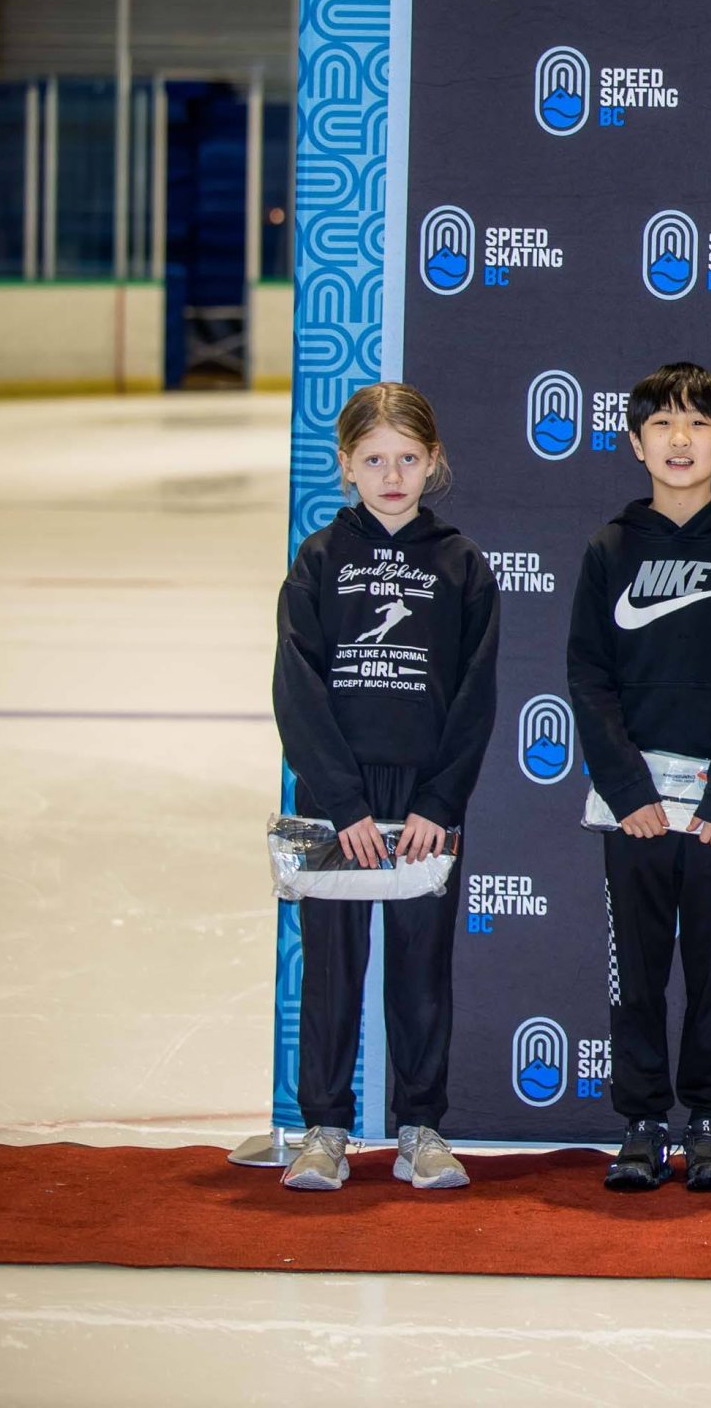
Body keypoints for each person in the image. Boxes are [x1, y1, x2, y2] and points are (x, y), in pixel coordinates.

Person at [568, 362, 711, 1194]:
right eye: (661, 423)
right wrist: (629, 793)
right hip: (635, 811)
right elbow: (588, 677)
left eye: (699, 424)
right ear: (635, 442)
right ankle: (640, 1123)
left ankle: (707, 1122)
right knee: (635, 971)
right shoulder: (608, 549)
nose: (679, 439)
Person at [272, 382, 500, 1193]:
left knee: (420, 967)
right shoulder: (319, 559)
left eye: (407, 458)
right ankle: (324, 1129)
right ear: (346, 465)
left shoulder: (462, 564)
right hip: (339, 797)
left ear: (433, 461)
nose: (392, 476)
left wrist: (440, 802)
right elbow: (297, 687)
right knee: (332, 969)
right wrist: (343, 804)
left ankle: (420, 1129)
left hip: (425, 802)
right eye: (374, 461)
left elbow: (475, 695)